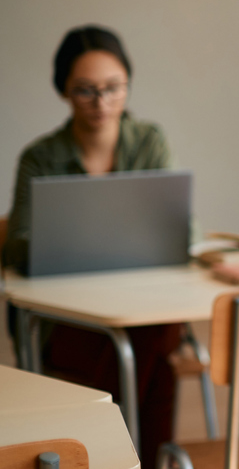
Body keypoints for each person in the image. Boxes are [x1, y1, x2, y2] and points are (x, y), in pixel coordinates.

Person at [2, 25, 180, 464]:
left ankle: (104, 451)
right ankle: (136, 455)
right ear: (64, 89)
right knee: (158, 357)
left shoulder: (150, 142)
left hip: (141, 304)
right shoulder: (40, 157)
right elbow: (17, 247)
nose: (102, 102)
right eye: (86, 90)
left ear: (127, 85)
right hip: (66, 315)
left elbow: (179, 228)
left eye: (113, 88)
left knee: (151, 330)